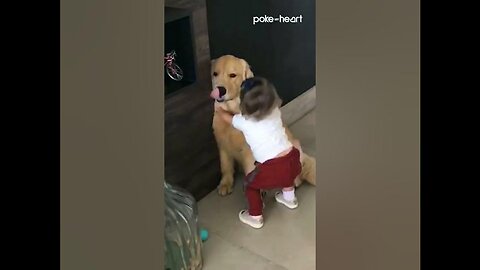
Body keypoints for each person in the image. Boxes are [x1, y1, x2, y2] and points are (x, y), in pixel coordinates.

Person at [214, 76, 302, 229]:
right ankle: (289, 198)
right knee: (286, 172)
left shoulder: (244, 122)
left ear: (243, 105)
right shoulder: (275, 111)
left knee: (250, 185)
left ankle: (255, 216)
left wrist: (219, 108)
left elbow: (227, 117)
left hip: (272, 169)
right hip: (293, 160)